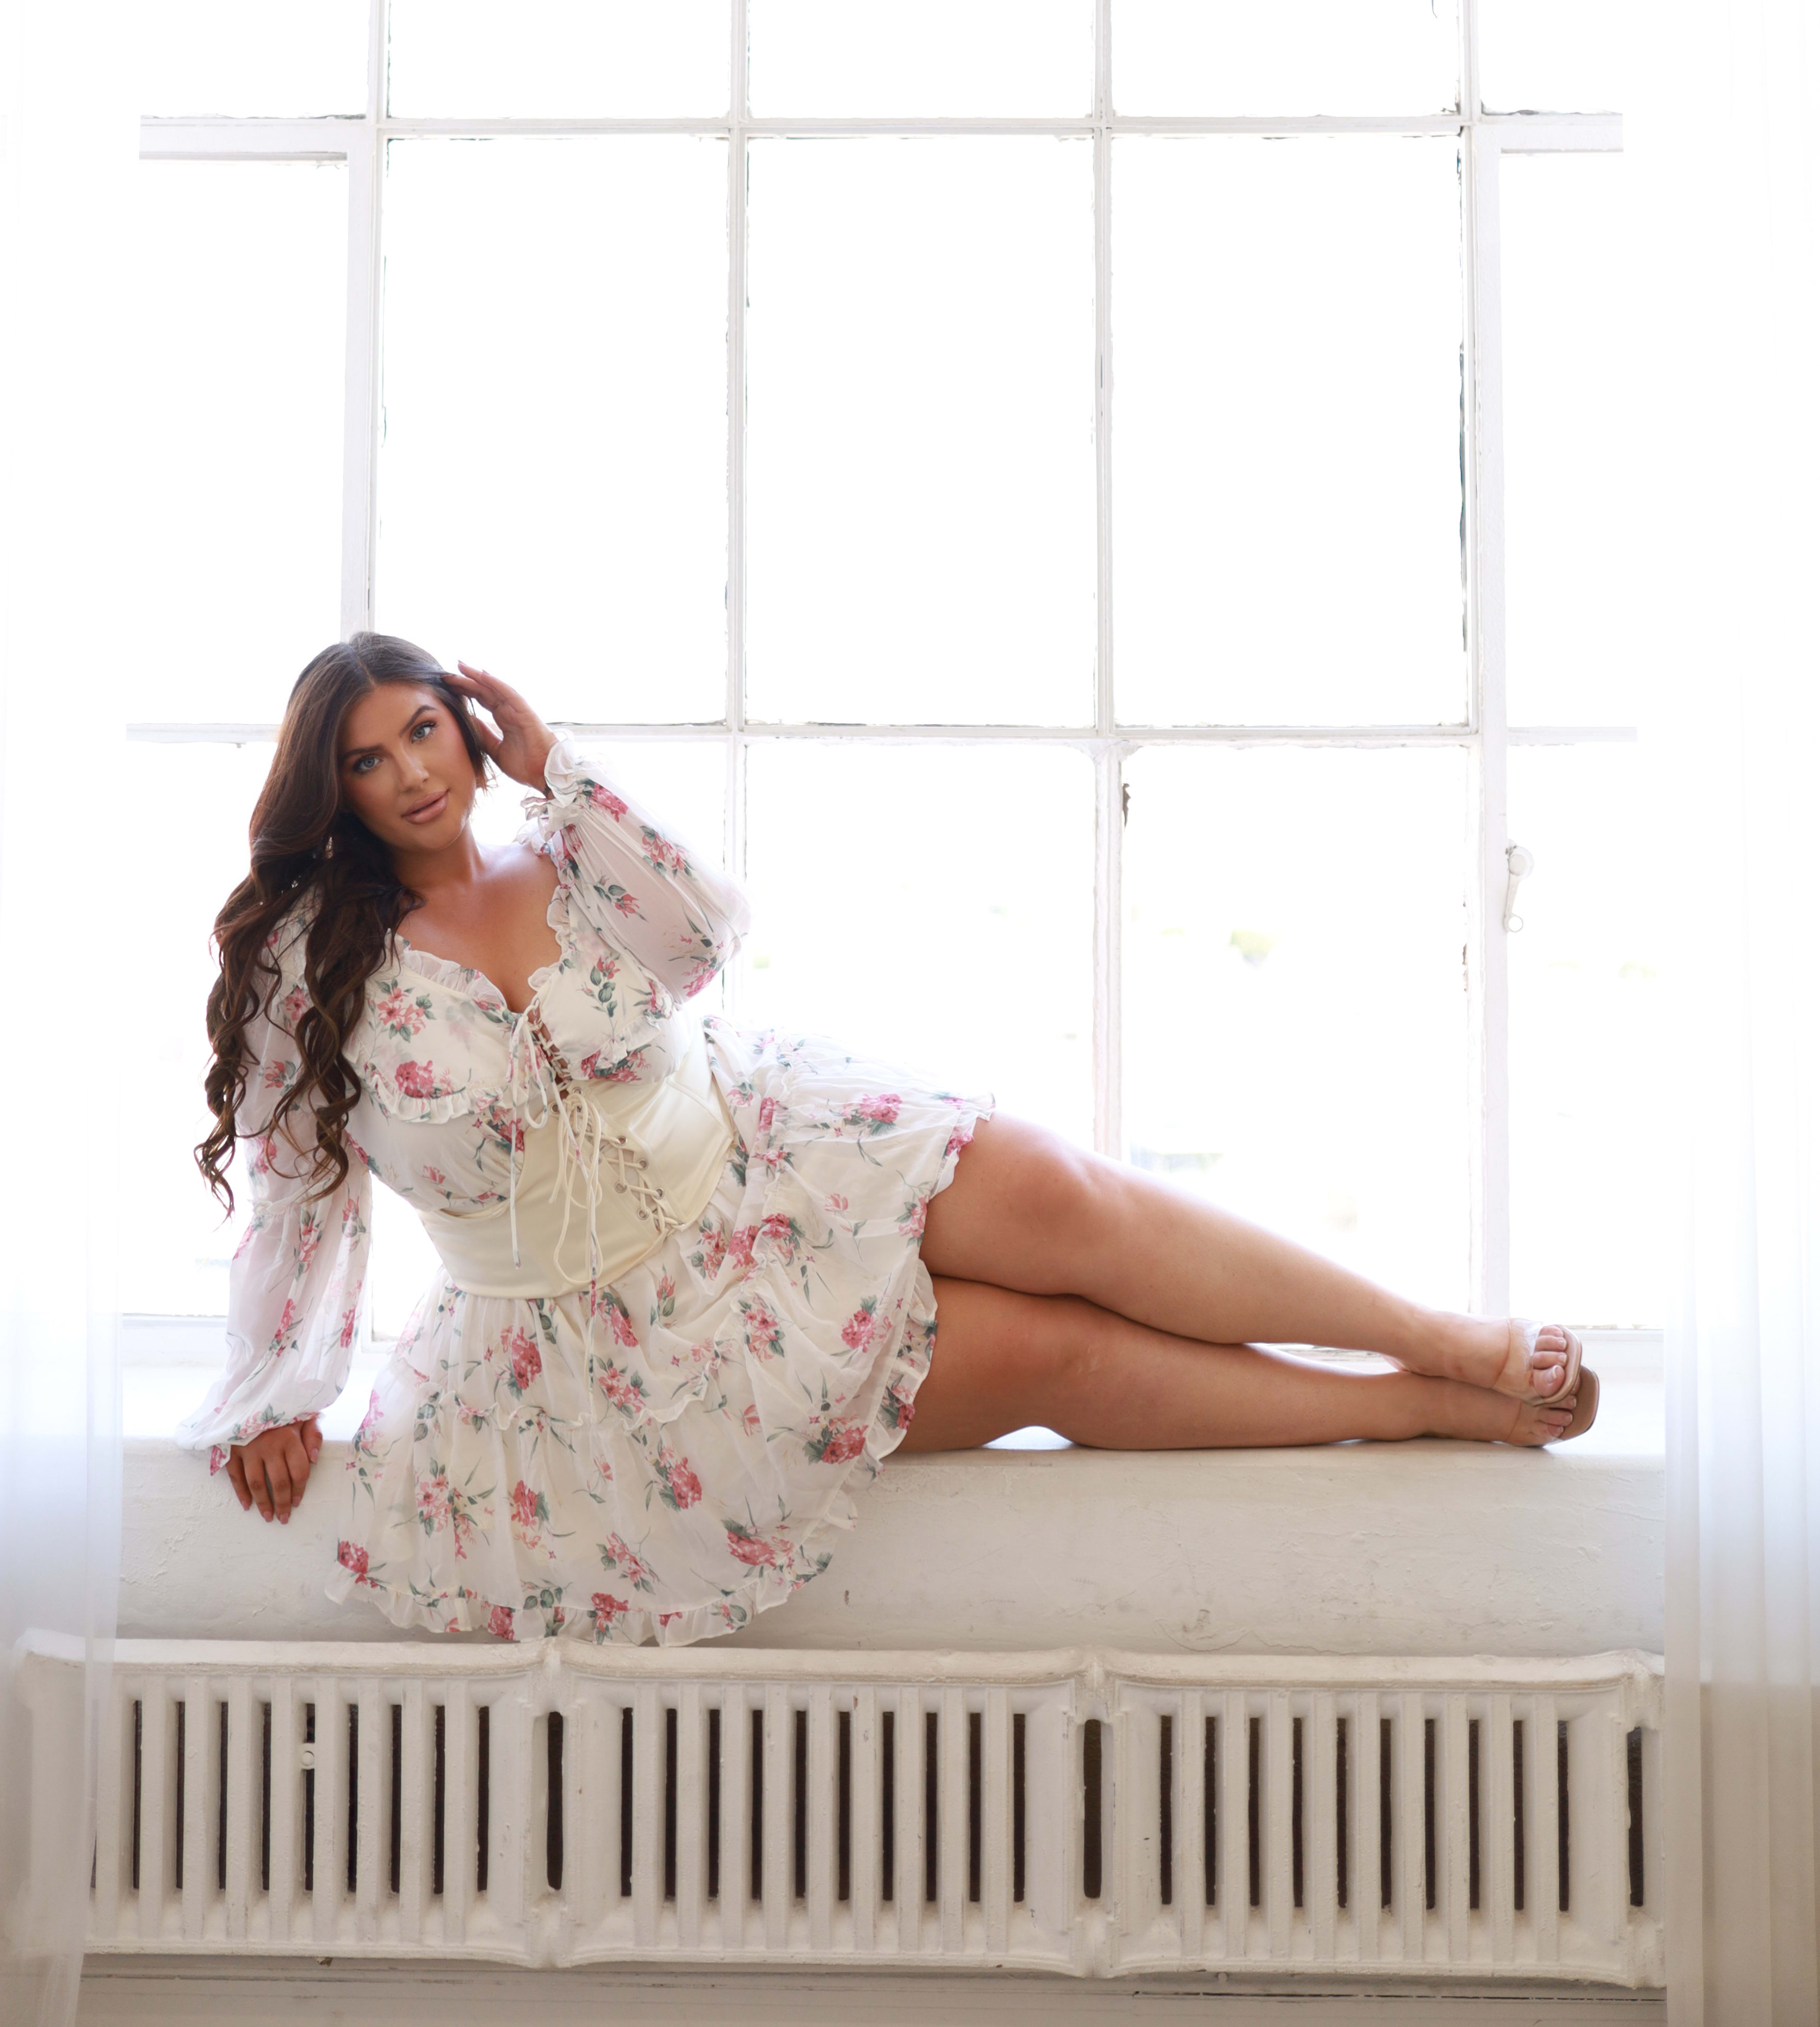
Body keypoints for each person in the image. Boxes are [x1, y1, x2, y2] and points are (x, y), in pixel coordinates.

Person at [180, 633, 1599, 1647]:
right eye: (367, 760)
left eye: (424, 729)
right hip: (636, 1350)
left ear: (466, 725)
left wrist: (564, 772)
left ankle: (1445, 1336)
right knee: (1055, 1356)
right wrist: (278, 1384)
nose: (410, 773)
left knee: (1073, 1196)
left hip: (760, 1159)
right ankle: (1428, 1407)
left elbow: (709, 933)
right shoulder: (318, 966)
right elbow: (299, 1190)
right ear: (336, 788)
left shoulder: (566, 852)